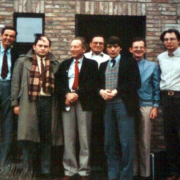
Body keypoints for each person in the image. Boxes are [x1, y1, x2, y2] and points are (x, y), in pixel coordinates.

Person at [11, 35, 63, 178]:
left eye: (45, 46)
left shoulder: (54, 63)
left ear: (49, 48)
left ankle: (45, 170)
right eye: (40, 45)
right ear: (34, 46)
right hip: (29, 102)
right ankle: (28, 170)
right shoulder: (22, 61)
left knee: (46, 136)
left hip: (48, 102)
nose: (42, 48)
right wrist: (15, 103)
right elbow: (15, 83)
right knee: (28, 137)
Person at [98, 36, 141, 180]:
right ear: (106, 48)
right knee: (109, 142)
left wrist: (117, 91)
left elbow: (136, 83)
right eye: (109, 47)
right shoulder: (103, 65)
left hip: (123, 104)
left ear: (120, 48)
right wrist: (101, 91)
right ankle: (113, 175)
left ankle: (126, 176)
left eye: (115, 46)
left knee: (126, 142)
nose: (112, 49)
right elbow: (97, 84)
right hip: (107, 106)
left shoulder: (129, 62)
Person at [55, 37, 98, 180]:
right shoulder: (65, 64)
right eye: (71, 46)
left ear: (84, 49)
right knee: (68, 137)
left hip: (84, 104)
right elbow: (58, 83)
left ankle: (84, 171)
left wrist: (76, 94)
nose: (72, 49)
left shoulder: (91, 64)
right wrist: (67, 94)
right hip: (67, 102)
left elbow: (92, 83)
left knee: (84, 138)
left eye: (76, 47)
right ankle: (69, 170)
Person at [129, 37, 160, 180]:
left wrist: (155, 106)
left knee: (144, 140)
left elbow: (156, 88)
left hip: (146, 104)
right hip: (128, 106)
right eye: (136, 47)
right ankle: (133, 172)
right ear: (131, 49)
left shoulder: (152, 66)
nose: (138, 49)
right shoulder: (126, 65)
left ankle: (145, 173)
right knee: (130, 139)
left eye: (141, 47)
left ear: (145, 49)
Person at [158, 29, 180, 180]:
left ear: (178, 41)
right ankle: (174, 172)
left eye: (172, 39)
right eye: (166, 39)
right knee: (170, 136)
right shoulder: (161, 57)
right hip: (167, 99)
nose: (169, 42)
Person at [85, 35, 109, 169]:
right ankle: (90, 165)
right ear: (90, 44)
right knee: (88, 131)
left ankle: (101, 165)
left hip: (104, 99)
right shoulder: (85, 57)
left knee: (102, 130)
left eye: (101, 43)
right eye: (95, 43)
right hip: (88, 99)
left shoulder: (107, 58)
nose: (98, 45)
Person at [0, 26, 19, 171]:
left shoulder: (16, 54)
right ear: (1, 36)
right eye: (6, 35)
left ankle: (3, 163)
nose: (8, 38)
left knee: (8, 125)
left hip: (8, 88)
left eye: (12, 36)